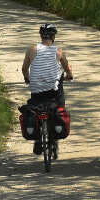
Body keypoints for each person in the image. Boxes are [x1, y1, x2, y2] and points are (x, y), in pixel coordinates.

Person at [19, 23, 73, 152]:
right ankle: (53, 139)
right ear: (53, 37)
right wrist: (69, 76)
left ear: (41, 36)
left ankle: (38, 140)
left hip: (36, 88)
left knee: (37, 108)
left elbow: (24, 69)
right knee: (59, 106)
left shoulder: (32, 50)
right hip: (53, 91)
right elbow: (67, 68)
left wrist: (27, 78)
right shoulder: (59, 51)